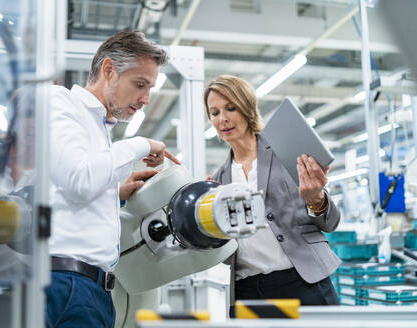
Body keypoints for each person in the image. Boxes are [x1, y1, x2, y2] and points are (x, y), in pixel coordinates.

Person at [46, 30, 180, 328]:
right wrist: (140, 145)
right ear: (109, 70)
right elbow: (79, 179)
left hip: (90, 288)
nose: (145, 99)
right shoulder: (61, 102)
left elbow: (66, 189)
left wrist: (118, 191)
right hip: (64, 284)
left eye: (150, 88)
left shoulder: (100, 128)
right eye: (140, 84)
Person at [204, 75, 341, 312]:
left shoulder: (285, 151)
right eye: (214, 113)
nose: (223, 118)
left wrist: (316, 199)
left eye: (230, 108)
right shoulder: (218, 181)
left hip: (302, 281)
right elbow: (226, 253)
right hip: (247, 290)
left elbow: (332, 222)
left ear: (247, 108)